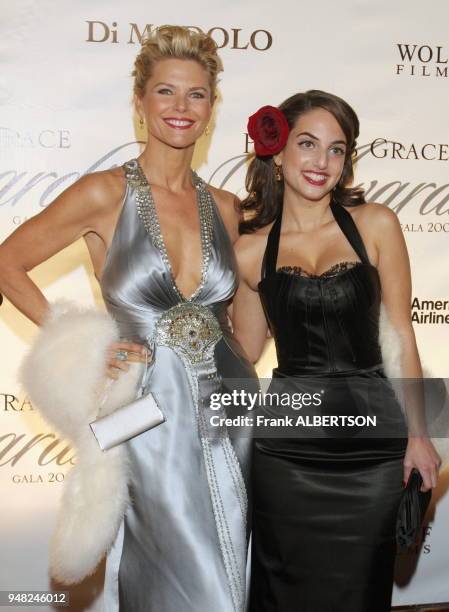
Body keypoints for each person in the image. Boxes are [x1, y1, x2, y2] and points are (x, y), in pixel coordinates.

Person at [0, 25, 254, 612]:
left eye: (195, 94)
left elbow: (239, 328)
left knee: (236, 569)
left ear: (212, 108)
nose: (181, 108)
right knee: (178, 567)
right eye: (166, 92)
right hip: (144, 414)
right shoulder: (102, 194)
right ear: (140, 104)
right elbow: (9, 264)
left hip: (233, 410)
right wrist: (82, 345)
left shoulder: (225, 206)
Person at [232, 91, 441, 611]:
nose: (321, 162)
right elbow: (246, 348)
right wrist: (173, 333)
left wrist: (418, 435)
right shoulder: (250, 249)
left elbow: (401, 335)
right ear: (277, 153)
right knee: (283, 591)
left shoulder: (376, 224)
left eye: (336, 149)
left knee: (359, 592)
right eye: (307, 144)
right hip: (286, 452)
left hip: (373, 448)